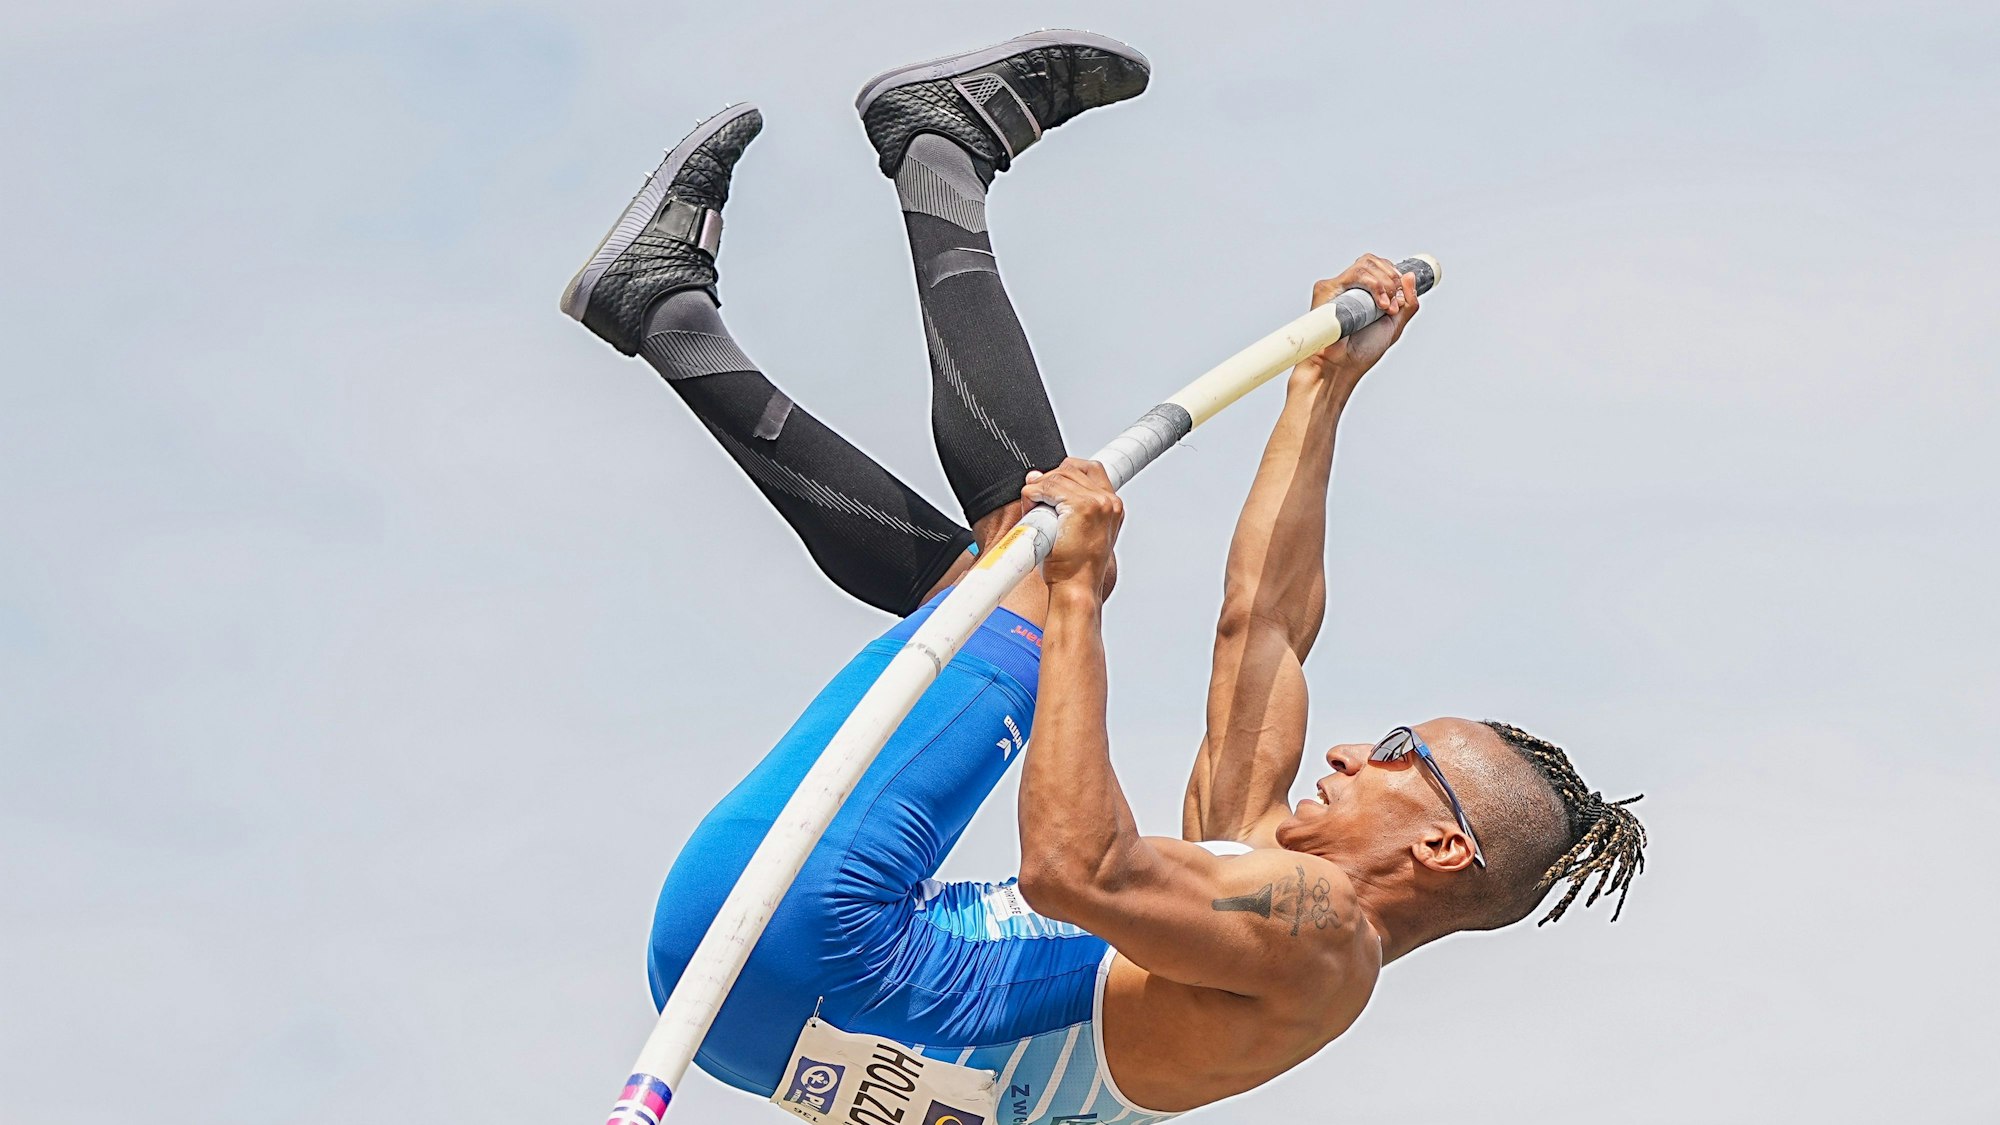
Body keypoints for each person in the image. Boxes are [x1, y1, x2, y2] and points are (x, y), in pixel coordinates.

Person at [562, 30, 1647, 1125]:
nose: (1355, 749)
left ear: (1441, 844)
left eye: (1401, 754)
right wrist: (1317, 391)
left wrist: (1075, 594)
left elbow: (1074, 872)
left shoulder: (1317, 932)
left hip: (811, 944)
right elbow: (1261, 630)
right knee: (986, 579)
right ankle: (670, 308)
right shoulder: (1262, 898)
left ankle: (931, 160)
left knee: (1033, 580)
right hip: (763, 1018)